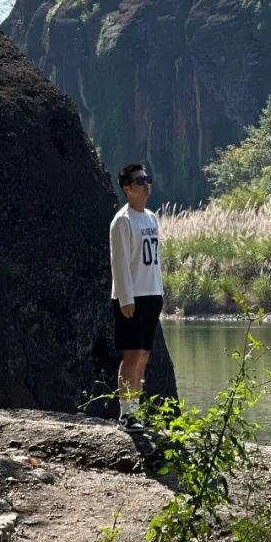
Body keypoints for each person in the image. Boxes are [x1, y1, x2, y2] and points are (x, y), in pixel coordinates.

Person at [109, 162, 164, 427]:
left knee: (144, 354)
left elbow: (153, 260)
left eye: (147, 180)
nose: (146, 185)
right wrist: (125, 298)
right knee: (131, 355)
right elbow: (119, 263)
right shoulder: (122, 220)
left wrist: (160, 292)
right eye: (140, 181)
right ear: (127, 189)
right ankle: (126, 412)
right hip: (132, 297)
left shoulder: (151, 217)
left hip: (152, 293)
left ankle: (136, 409)